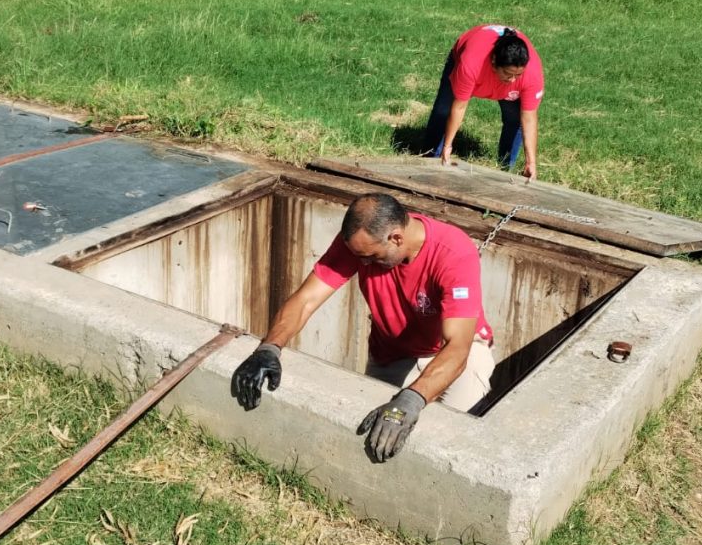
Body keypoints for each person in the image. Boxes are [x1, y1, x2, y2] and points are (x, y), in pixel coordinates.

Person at [231, 193, 495, 463]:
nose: (363, 264)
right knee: (371, 436)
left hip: (455, 353)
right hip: (392, 352)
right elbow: (306, 299)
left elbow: (458, 347)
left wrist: (411, 400)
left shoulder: (453, 253)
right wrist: (269, 348)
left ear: (396, 238)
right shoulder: (359, 244)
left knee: (450, 442)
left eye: (371, 257)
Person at [422, 24, 544, 179]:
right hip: (468, 58)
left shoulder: (532, 75)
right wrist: (448, 146)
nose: (513, 80)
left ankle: (506, 169)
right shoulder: (470, 64)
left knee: (514, 120)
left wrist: (531, 162)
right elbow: (459, 107)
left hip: (498, 78)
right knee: (443, 109)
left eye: (518, 75)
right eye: (508, 73)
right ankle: (431, 157)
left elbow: (529, 118)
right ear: (494, 61)